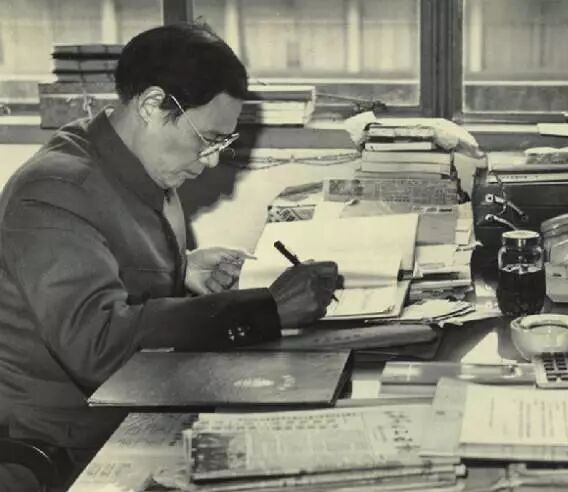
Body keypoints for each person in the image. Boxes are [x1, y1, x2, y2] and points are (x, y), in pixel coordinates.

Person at [0, 22, 338, 490]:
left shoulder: (131, 158)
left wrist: (183, 268)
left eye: (222, 143)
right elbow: (97, 345)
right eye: (207, 138)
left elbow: (112, 263)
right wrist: (267, 309)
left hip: (140, 399)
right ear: (152, 105)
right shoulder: (55, 190)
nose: (212, 160)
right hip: (71, 447)